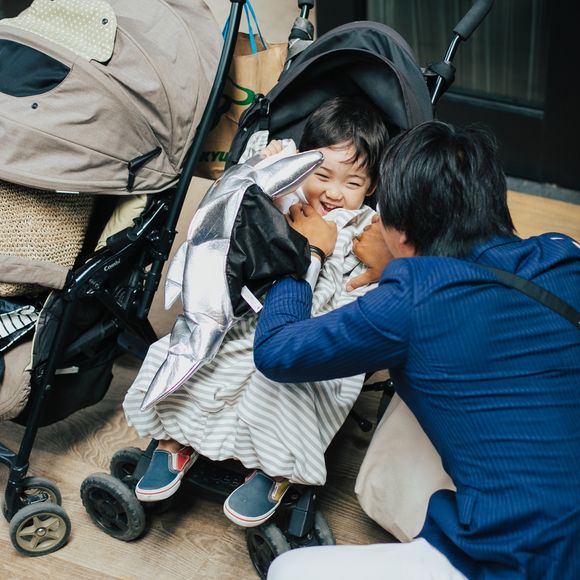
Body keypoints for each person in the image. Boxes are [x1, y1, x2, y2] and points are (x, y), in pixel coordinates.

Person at [253, 120, 580, 579]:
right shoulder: (565, 253)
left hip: (528, 558)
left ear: (402, 234)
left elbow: (275, 351)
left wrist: (305, 254)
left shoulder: (413, 297)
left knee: (289, 570)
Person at [123, 96, 390, 527]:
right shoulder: (284, 196)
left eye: (353, 183)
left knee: (282, 389)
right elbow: (241, 200)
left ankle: (275, 469)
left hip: (316, 323)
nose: (333, 193)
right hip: (249, 316)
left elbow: (363, 286)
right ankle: (175, 440)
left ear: (371, 187)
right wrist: (268, 161)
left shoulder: (365, 228)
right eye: (322, 175)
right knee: (200, 357)